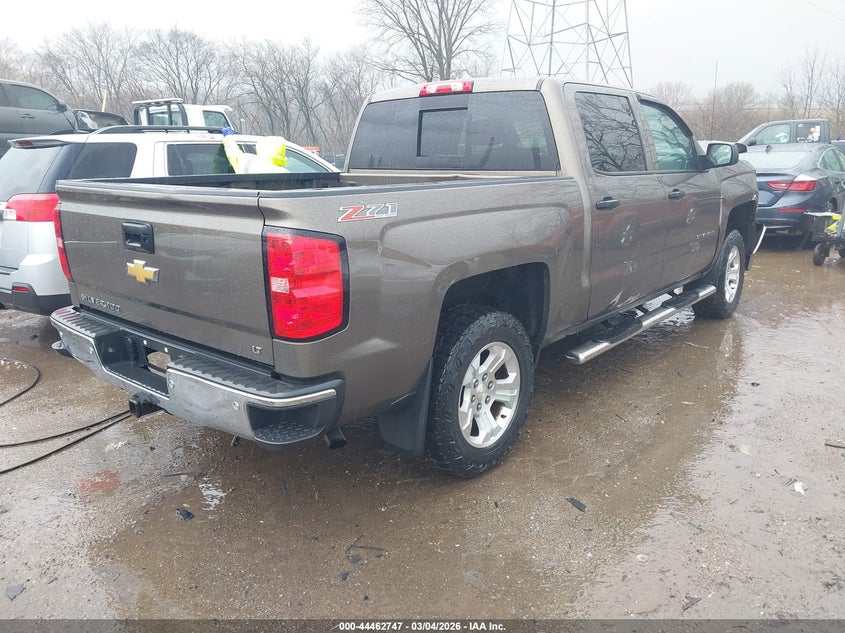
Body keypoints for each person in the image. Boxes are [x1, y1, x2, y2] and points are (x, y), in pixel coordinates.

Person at [221, 127, 288, 173]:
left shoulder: (250, 164)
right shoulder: (286, 173)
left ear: (262, 149)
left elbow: (233, 153)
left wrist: (228, 137)